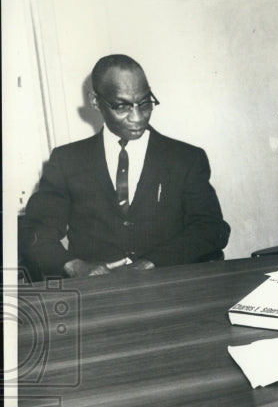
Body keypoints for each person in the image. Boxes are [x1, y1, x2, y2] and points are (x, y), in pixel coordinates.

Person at [21, 54, 230, 279]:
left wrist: (151, 263)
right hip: (97, 294)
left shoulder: (186, 158)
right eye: (122, 106)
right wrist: (73, 265)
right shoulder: (66, 161)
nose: (137, 117)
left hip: (170, 287)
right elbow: (36, 231)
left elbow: (211, 228)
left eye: (145, 103)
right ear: (95, 101)